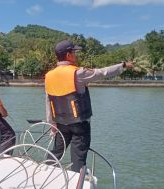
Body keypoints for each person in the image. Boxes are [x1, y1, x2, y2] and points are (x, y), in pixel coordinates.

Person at [45, 40, 133, 172]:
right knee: (78, 157)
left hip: (60, 123)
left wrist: (52, 124)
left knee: (56, 152)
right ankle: (77, 182)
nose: (76, 55)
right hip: (79, 124)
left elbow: (48, 101)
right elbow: (103, 73)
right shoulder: (78, 73)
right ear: (68, 55)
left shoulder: (48, 76)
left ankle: (43, 172)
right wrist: (123, 65)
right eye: (74, 52)